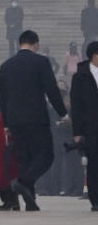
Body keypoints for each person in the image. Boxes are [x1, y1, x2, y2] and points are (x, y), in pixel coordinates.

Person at [0, 30, 67, 211]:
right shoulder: (41, 62)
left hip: (14, 120)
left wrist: (5, 124)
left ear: (20, 43)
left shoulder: (6, 66)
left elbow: (2, 98)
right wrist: (63, 113)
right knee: (46, 155)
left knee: (24, 159)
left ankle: (30, 201)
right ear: (35, 44)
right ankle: (23, 181)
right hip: (36, 118)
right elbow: (52, 90)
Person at [70, 40, 98, 212]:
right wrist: (77, 132)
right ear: (95, 55)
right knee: (94, 164)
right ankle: (95, 199)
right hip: (91, 128)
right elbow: (76, 105)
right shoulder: (80, 76)